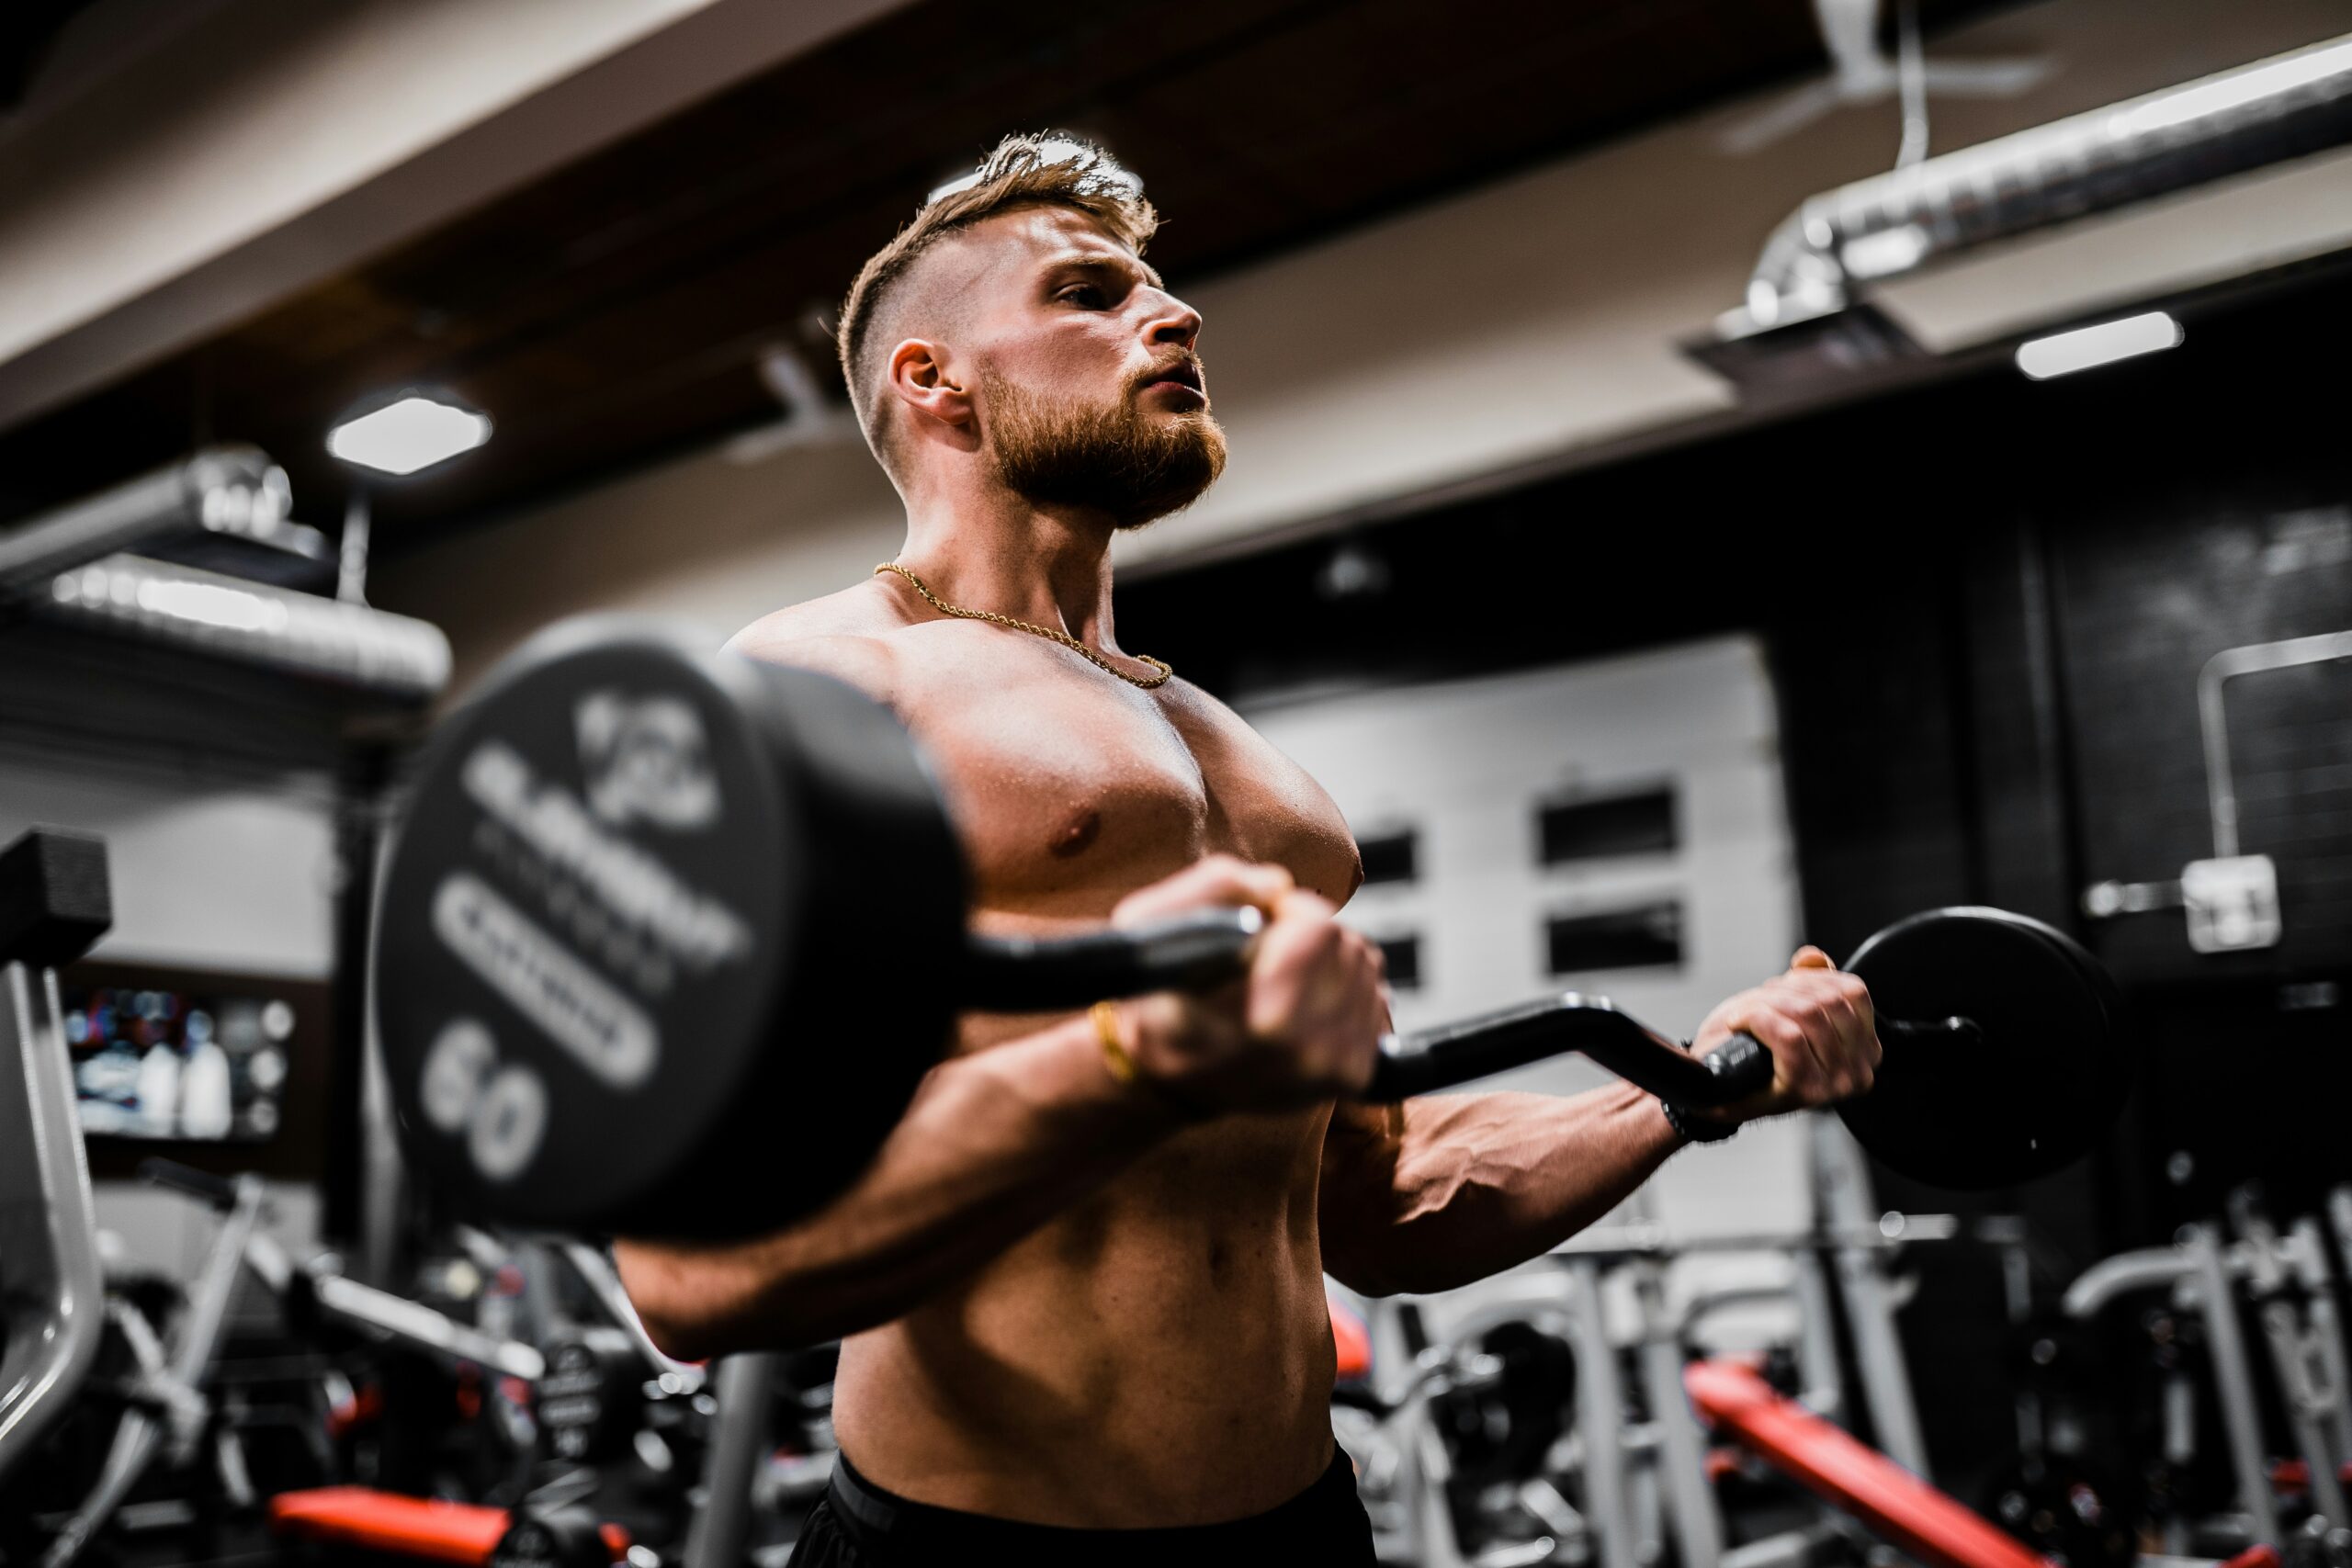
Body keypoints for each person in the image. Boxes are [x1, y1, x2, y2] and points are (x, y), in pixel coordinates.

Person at [612, 132, 1881, 1565]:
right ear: (933, 380)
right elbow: (690, 1270)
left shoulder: (1239, 761)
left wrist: (1696, 1086)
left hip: (1302, 1530)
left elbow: (1382, 1203)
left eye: (1155, 287)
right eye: (1089, 292)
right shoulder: (814, 690)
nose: (1176, 314)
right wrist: (1127, 1058)